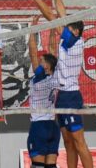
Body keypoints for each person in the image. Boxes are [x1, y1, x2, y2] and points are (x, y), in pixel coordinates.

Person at [22, 0, 93, 168]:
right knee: (69, 143)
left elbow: (54, 16)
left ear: (76, 31)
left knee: (79, 142)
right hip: (60, 96)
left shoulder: (75, 41)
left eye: (68, 26)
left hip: (70, 95)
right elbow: (58, 18)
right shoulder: (65, 41)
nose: (65, 26)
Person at [27, 16, 60, 168]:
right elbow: (53, 49)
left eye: (42, 62)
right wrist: (53, 26)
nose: (39, 62)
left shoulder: (39, 77)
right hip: (53, 127)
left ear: (46, 67)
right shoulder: (56, 76)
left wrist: (33, 29)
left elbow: (32, 51)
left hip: (39, 126)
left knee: (38, 166)